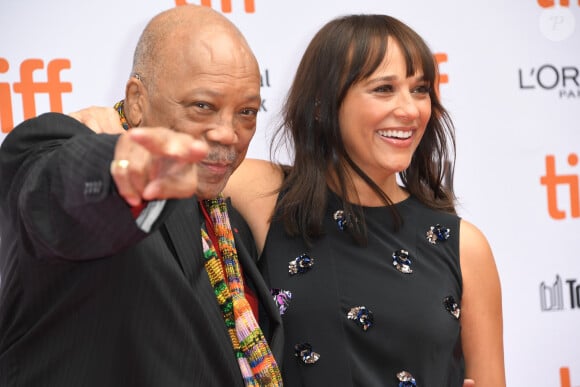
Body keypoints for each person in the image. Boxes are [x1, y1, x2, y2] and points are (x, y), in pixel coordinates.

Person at [0, 5, 283, 387]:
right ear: (136, 100)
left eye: (246, 112)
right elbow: (55, 191)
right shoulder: (77, 151)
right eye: (203, 106)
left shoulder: (229, 228)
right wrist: (126, 166)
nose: (228, 133)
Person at [223, 14, 506, 386]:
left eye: (420, 89)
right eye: (384, 89)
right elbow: (156, 158)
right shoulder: (265, 193)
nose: (410, 110)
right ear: (322, 106)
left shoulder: (464, 246)